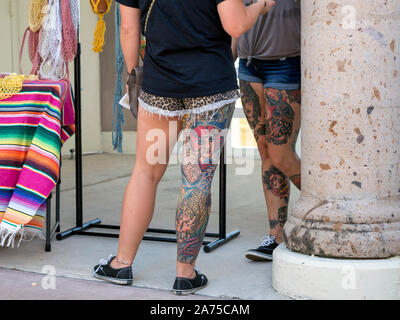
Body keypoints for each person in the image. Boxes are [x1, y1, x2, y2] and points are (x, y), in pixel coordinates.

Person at [93, 0, 275, 295]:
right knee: (196, 179)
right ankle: (184, 274)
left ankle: (121, 263)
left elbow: (128, 28)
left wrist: (133, 75)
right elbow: (236, 25)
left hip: (159, 83)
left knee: (145, 173)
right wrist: (262, 6)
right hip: (210, 85)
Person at [232, 0, 301, 261]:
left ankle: (329, 208)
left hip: (286, 63)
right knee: (266, 154)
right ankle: (276, 237)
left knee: (281, 153)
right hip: (249, 66)